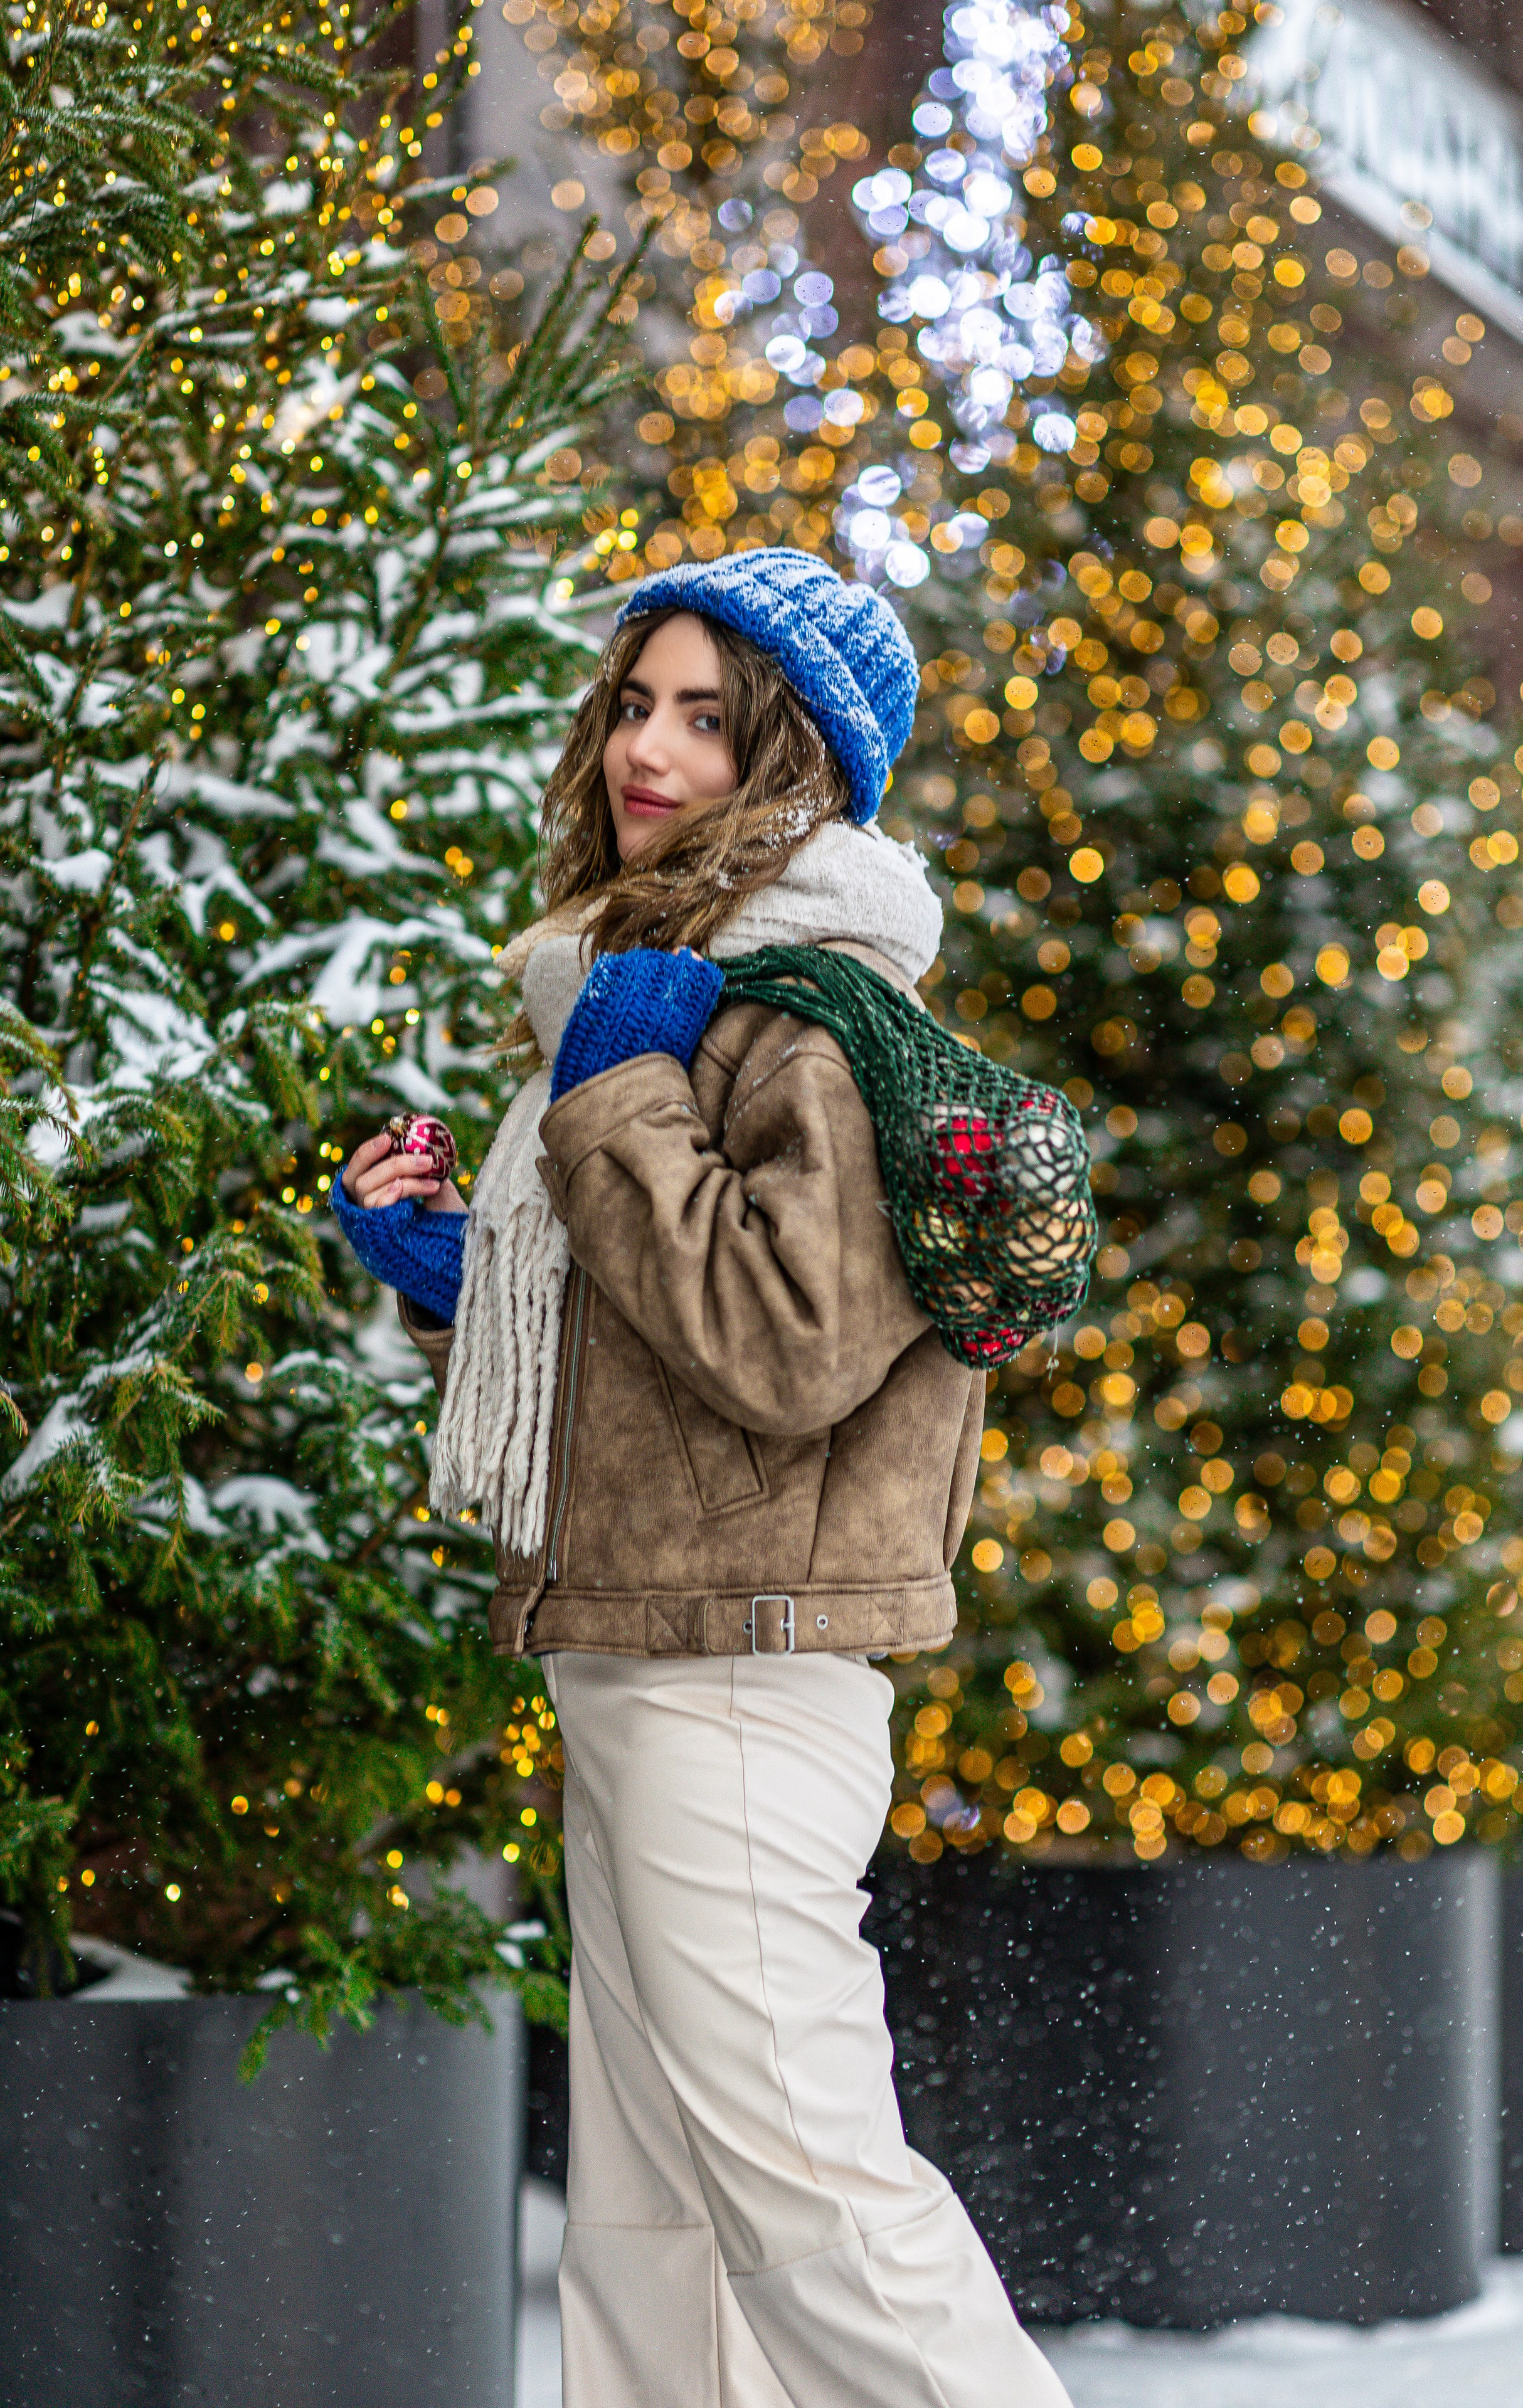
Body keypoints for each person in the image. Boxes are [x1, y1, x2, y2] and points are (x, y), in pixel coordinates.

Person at [334, 551, 1068, 2408]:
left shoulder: (817, 1014)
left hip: (741, 1675)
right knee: (657, 2224)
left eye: (707, 715)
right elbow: (668, 1347)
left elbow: (788, 1344)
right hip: (650, 1656)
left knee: (813, 2200)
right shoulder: (656, 990)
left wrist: (623, 1103)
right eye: (636, 702)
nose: (649, 747)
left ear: (796, 757)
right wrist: (461, 1280)